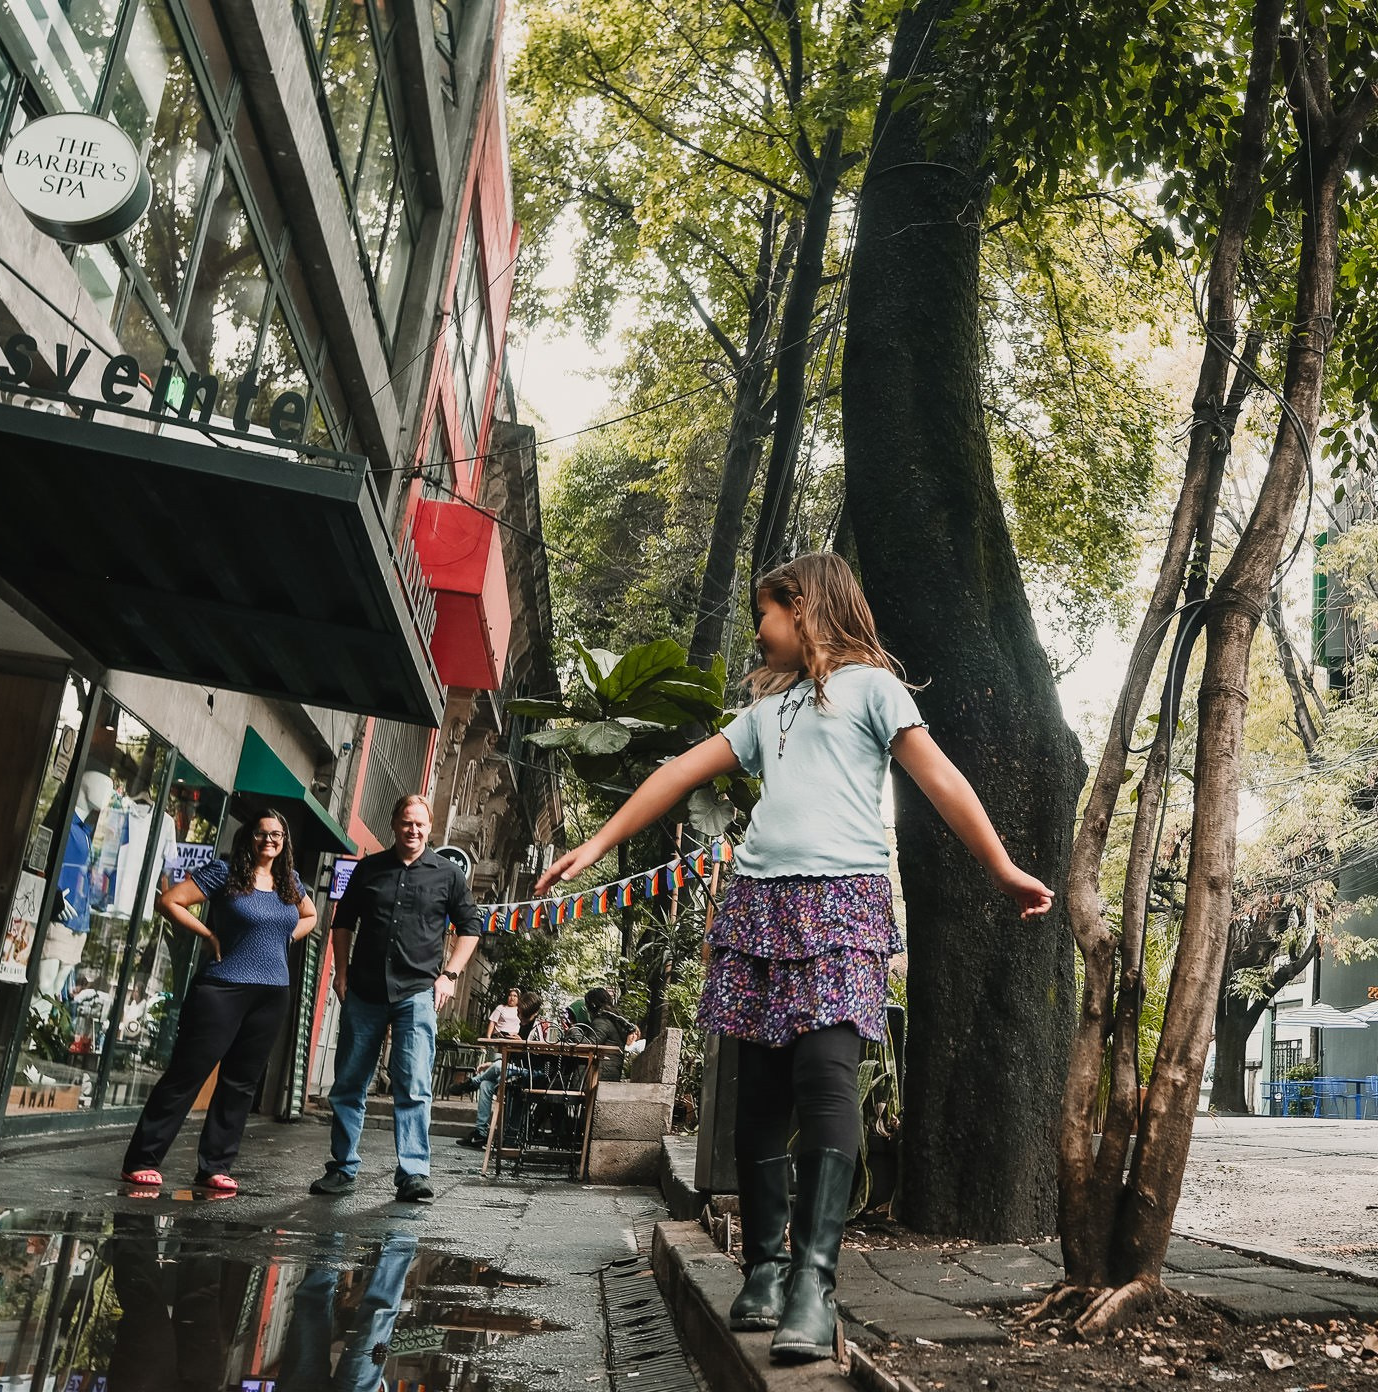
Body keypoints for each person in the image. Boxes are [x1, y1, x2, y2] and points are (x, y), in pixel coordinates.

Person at [535, 552, 1051, 1363]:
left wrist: (1001, 866)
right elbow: (679, 772)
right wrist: (597, 844)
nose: (758, 631)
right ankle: (764, 1271)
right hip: (758, 904)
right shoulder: (766, 711)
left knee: (825, 1075)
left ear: (804, 606)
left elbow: (941, 780)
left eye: (765, 614)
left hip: (843, 903)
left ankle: (813, 1283)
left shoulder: (874, 689)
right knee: (762, 1094)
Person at [120, 808, 317, 1193]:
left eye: (276, 835)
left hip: (272, 993)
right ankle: (141, 1159)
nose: (269, 840)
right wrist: (209, 936)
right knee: (187, 1073)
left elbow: (309, 915)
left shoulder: (289, 881)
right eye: (262, 833)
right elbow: (170, 901)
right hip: (222, 988)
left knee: (241, 1083)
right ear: (249, 836)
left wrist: (286, 937)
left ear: (284, 841)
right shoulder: (224, 872)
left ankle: (214, 1166)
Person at [311, 794, 481, 1204]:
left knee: (414, 1085)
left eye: (420, 824)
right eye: (407, 822)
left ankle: (413, 1174)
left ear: (430, 828)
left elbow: (470, 927)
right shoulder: (368, 868)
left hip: (417, 992)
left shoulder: (447, 874)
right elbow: (343, 923)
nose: (413, 830)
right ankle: (342, 1168)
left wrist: (450, 976)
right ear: (395, 824)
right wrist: (341, 973)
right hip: (364, 990)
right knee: (349, 1082)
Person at [458, 990, 546, 1149]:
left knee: (498, 1067)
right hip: (515, 1071)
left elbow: (540, 1059)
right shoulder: (522, 1026)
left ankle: (472, 1083)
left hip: (532, 1075)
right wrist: (492, 1063)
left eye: (522, 1015)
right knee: (486, 1085)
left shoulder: (540, 1028)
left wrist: (524, 1044)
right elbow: (512, 1058)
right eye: (519, 1013)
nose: (520, 1018)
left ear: (533, 1013)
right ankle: (480, 1133)